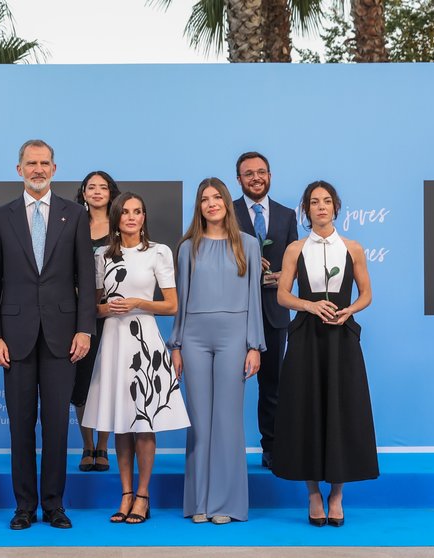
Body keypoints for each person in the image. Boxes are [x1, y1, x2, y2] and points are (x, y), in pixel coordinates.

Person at [0, 139, 96, 530]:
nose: (38, 169)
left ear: (54, 168)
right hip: (14, 338)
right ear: (19, 170)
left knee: (56, 425)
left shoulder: (75, 215)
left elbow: (86, 276)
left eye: (44, 163)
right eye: (31, 163)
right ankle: (24, 506)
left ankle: (54, 505)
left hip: (64, 337)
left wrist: (85, 329)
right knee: (20, 425)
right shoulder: (0, 217)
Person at [271, 180, 378, 528]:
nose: (321, 207)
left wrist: (348, 311)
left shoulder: (353, 248)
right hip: (306, 337)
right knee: (306, 411)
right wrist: (309, 305)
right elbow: (282, 296)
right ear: (306, 210)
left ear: (336, 207)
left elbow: (366, 294)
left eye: (326, 201)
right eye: (314, 202)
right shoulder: (295, 250)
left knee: (341, 411)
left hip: (341, 338)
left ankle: (337, 495)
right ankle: (313, 494)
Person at [81, 192, 189, 525]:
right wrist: (107, 308)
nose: (131, 217)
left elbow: (171, 305)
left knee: (143, 422)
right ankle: (125, 494)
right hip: (113, 342)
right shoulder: (102, 255)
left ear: (144, 217)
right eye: (125, 212)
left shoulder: (159, 252)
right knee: (121, 424)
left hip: (145, 342)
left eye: (137, 211)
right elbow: (93, 308)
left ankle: (143, 496)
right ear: (116, 218)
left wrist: (137, 303)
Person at [168, 178, 265, 525]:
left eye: (216, 198)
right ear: (199, 206)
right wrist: (176, 345)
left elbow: (255, 299)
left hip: (234, 337)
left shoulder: (249, 246)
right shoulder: (187, 247)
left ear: (226, 202)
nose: (211, 204)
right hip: (193, 336)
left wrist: (254, 345)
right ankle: (199, 501)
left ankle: (226, 503)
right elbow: (180, 303)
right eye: (204, 199)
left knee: (227, 420)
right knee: (199, 421)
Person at [232, 151, 299, 469]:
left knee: (272, 384)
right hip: (233, 311)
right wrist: (246, 266)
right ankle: (226, 449)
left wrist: (284, 277)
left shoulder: (287, 216)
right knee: (228, 384)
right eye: (248, 173)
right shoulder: (225, 212)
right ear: (239, 179)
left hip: (274, 310)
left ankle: (271, 446)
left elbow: (296, 261)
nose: (255, 177)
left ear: (270, 175)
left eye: (261, 172)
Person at [72, 170, 121, 473]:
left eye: (103, 187)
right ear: (84, 193)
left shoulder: (120, 227)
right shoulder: (73, 224)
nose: (98, 192)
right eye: (92, 187)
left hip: (111, 314)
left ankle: (103, 446)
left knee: (106, 379)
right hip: (77, 313)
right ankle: (86, 445)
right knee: (82, 382)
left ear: (111, 193)